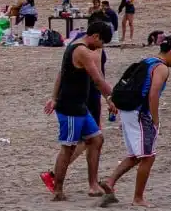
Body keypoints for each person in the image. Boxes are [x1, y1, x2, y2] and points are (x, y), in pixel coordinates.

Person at [102, 34, 171, 207]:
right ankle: (138, 198)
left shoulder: (147, 61)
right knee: (148, 156)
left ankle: (110, 182)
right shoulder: (161, 68)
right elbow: (153, 94)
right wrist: (155, 119)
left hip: (127, 111)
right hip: (140, 113)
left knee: (135, 155)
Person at [42, 21, 118, 201]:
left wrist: (53, 97)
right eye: (102, 43)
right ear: (96, 36)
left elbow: (62, 73)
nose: (101, 47)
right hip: (70, 107)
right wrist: (114, 97)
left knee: (96, 139)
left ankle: (93, 184)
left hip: (80, 106)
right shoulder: (82, 51)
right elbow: (98, 80)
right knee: (68, 148)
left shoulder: (76, 45)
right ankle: (58, 190)